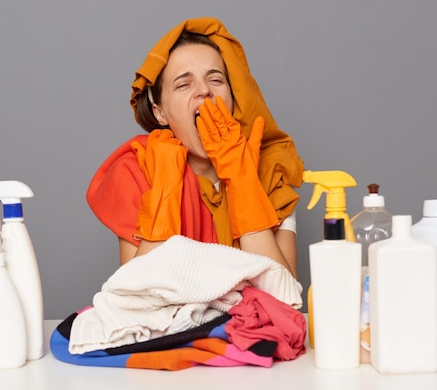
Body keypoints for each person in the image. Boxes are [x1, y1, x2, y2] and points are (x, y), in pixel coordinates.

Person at [87, 17, 304, 278]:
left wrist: (244, 184)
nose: (204, 91)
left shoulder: (270, 173)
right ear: (159, 113)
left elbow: (283, 299)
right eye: (183, 83)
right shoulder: (137, 172)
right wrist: (165, 192)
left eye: (216, 80)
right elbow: (135, 300)